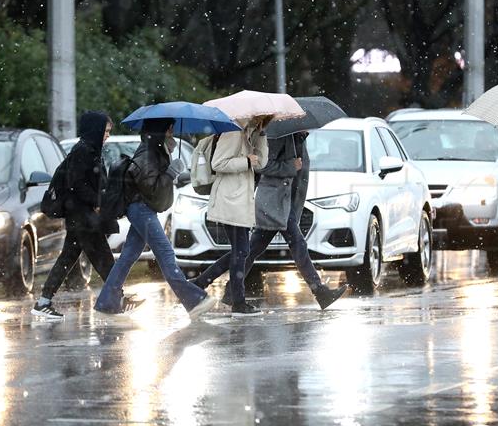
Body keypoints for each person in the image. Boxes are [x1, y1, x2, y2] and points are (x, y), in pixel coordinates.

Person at [193, 132, 348, 310]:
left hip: (283, 201)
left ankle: (217, 289)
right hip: (273, 202)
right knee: (296, 244)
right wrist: (290, 166)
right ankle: (320, 291)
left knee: (247, 251)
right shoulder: (278, 135)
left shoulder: (296, 135)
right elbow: (262, 165)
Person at [94, 118, 216, 319]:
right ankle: (193, 300)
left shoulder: (155, 149)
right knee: (165, 252)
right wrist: (170, 173)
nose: (172, 132)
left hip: (143, 208)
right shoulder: (147, 152)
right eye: (169, 128)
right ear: (162, 129)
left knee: (129, 255)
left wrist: (169, 169)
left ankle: (106, 302)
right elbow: (150, 187)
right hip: (141, 209)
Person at [32, 111, 119, 320]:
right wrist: (97, 202)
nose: (107, 135)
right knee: (104, 259)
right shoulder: (84, 151)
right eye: (105, 131)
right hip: (83, 217)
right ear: (95, 129)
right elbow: (76, 185)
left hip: (82, 217)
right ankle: (118, 298)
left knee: (68, 258)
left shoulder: (90, 150)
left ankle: (43, 302)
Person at [191, 115, 271, 317]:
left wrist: (261, 134)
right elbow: (218, 163)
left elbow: (261, 163)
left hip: (240, 200)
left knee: (241, 250)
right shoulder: (234, 132)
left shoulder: (249, 133)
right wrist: (245, 161)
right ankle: (238, 303)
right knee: (242, 250)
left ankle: (200, 283)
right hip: (229, 198)